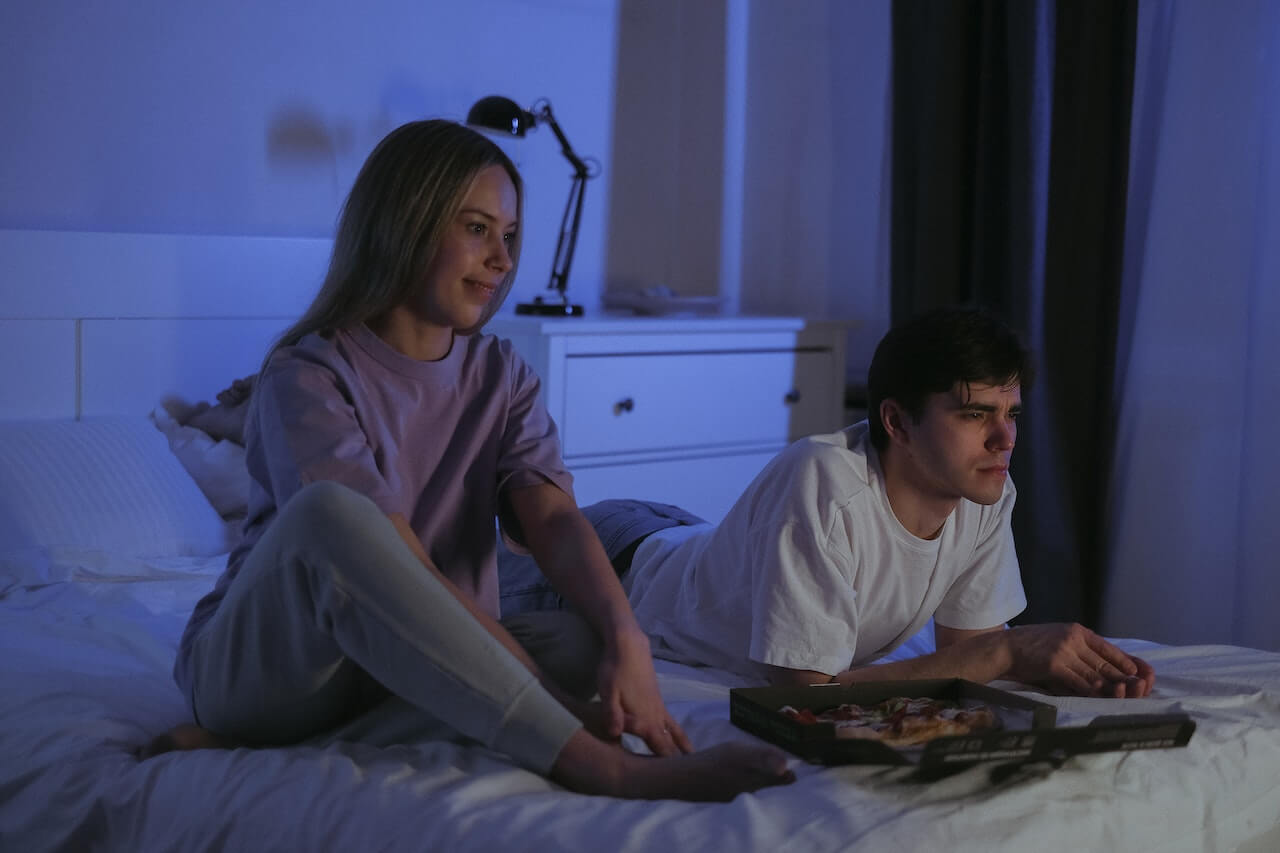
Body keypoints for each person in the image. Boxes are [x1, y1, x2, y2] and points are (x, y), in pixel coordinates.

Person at [152, 119, 794, 802]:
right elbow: (399, 559)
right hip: (267, 668)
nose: (503, 260)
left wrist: (626, 633)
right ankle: (599, 766)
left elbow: (552, 518)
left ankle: (292, 747)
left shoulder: (500, 373)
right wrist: (560, 716)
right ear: (406, 223)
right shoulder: (306, 374)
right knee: (330, 513)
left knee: (581, 645)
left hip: (396, 663)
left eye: (510, 236)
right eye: (478, 228)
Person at [500, 308, 1156, 699]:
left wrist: (1043, 663)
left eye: (1011, 413)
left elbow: (969, 650)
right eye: (975, 413)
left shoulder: (983, 488)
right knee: (443, 588)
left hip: (682, 535)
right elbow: (804, 693)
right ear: (897, 422)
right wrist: (1005, 653)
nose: (1005, 437)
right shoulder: (824, 479)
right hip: (615, 563)